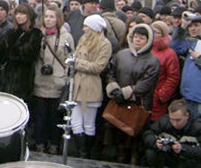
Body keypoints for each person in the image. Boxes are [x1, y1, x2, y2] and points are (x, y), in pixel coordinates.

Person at [105, 23, 160, 164]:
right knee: (116, 137)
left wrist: (127, 92)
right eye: (135, 37)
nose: (137, 40)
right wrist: (114, 88)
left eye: (142, 38)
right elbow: (110, 72)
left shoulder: (152, 61)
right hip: (118, 102)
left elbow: (147, 83)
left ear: (148, 41)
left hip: (137, 104)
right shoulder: (121, 55)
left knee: (133, 139)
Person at [33, 5, 74, 155]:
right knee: (40, 116)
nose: (49, 20)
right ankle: (39, 143)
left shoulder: (66, 36)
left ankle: (54, 144)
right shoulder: (39, 34)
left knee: (54, 117)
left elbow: (70, 59)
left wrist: (66, 77)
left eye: (52, 17)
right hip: (40, 81)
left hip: (57, 82)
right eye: (46, 16)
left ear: (58, 19)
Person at [71, 14, 112, 158]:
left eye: (86, 26)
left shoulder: (105, 44)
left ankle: (86, 154)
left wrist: (77, 63)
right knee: (75, 122)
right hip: (77, 86)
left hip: (91, 86)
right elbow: (75, 56)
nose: (83, 29)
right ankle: (80, 152)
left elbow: (98, 67)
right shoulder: (83, 40)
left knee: (88, 123)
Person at [143, 99, 201, 168]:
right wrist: (155, 143)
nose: (175, 123)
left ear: (187, 115)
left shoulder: (200, 127)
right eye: (172, 119)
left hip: (190, 160)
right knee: (151, 153)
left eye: (178, 120)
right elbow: (148, 133)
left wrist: (183, 149)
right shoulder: (164, 121)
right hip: (170, 157)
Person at [150, 21, 180, 121]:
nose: (154, 35)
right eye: (152, 31)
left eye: (157, 32)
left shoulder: (170, 53)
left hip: (157, 98)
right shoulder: (146, 48)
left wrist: (161, 95)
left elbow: (173, 77)